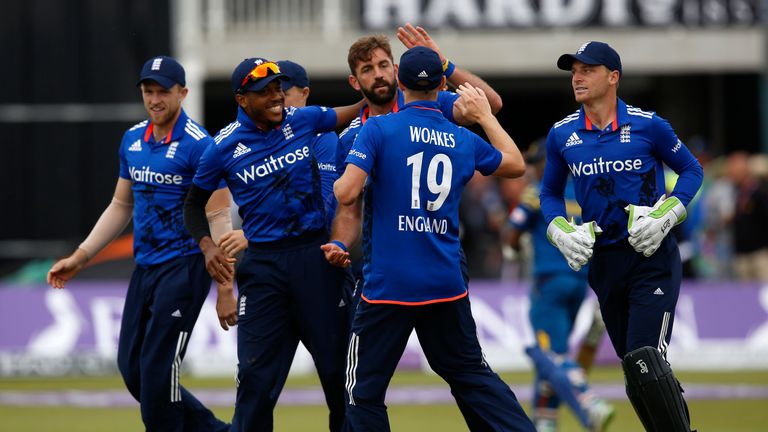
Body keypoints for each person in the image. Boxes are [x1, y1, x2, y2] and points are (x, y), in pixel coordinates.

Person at [323, 46, 535, 432]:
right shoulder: (461, 138)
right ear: (441, 85)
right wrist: (485, 117)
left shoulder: (375, 129)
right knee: (470, 372)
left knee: (362, 391)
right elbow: (516, 163)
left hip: (389, 284)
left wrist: (338, 177)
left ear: (400, 84)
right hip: (445, 281)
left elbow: (347, 194)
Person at [47, 56, 232, 432]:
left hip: (185, 268)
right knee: (134, 370)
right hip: (145, 268)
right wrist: (81, 256)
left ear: (183, 93)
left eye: (163, 91)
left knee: (158, 373)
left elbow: (218, 217)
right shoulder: (132, 140)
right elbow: (120, 205)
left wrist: (226, 286)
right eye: (148, 91)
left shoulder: (201, 146)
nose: (154, 99)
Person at [183, 57, 361, 432]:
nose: (277, 96)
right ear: (242, 99)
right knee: (255, 382)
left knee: (337, 376)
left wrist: (379, 94)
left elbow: (355, 111)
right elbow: (193, 204)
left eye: (278, 88)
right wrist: (208, 246)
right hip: (264, 269)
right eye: (264, 92)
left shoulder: (305, 119)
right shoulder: (222, 146)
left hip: (315, 261)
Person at [540, 41, 704, 431]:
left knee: (646, 357)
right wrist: (558, 229)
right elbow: (548, 192)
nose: (577, 77)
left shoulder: (649, 125)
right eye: (574, 71)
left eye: (588, 70)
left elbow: (692, 170)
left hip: (651, 260)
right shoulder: (562, 135)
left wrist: (668, 214)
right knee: (636, 371)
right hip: (604, 265)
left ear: (613, 77)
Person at [506, 141, 613, 432]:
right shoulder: (580, 190)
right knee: (556, 355)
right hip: (579, 281)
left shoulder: (539, 191)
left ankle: (588, 403)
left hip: (549, 281)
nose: (531, 169)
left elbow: (513, 230)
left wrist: (513, 250)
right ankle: (544, 422)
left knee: (549, 355)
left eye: (535, 163)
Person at [218, 59, 341, 256]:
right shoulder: (258, 138)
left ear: (305, 94)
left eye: (282, 91)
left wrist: (252, 235)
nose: (276, 98)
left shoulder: (322, 137)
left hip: (318, 251)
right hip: (271, 253)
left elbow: (327, 204)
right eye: (265, 91)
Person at [725, 151, 768, 281]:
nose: (730, 173)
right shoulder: (738, 192)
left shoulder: (760, 191)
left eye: (734, 169)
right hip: (741, 254)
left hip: (759, 254)